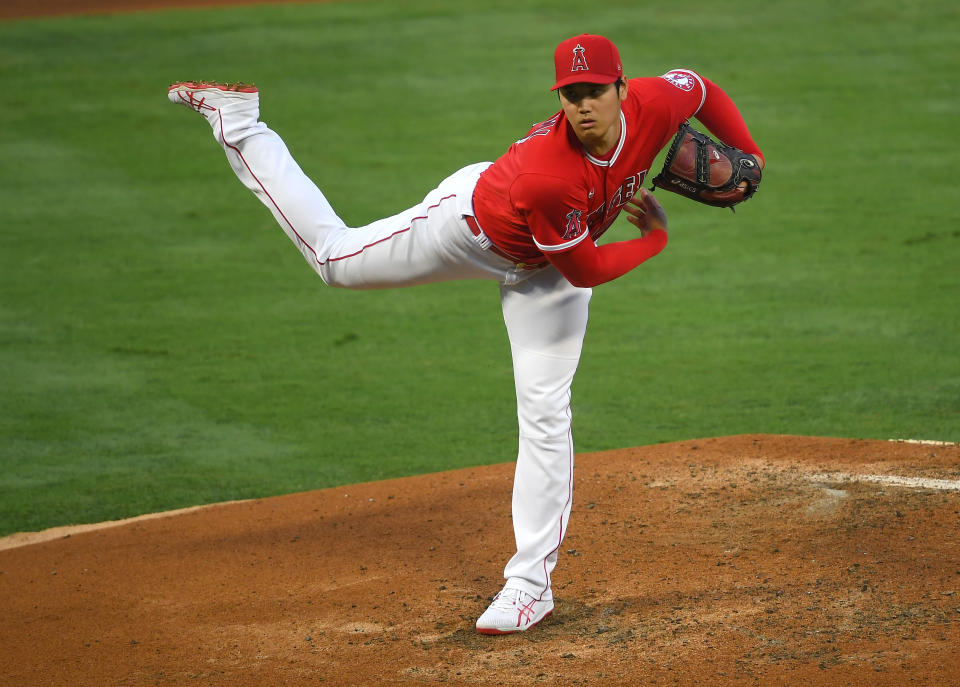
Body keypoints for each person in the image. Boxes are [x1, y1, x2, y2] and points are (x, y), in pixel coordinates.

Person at [167, 33, 764, 635]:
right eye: (570, 95)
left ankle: (530, 587)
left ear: (622, 88)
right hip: (470, 229)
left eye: (594, 92)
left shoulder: (655, 105)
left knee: (546, 413)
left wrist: (750, 153)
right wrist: (653, 241)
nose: (583, 106)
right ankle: (242, 125)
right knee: (334, 262)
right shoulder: (547, 175)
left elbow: (700, 86)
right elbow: (585, 269)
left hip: (547, 270)